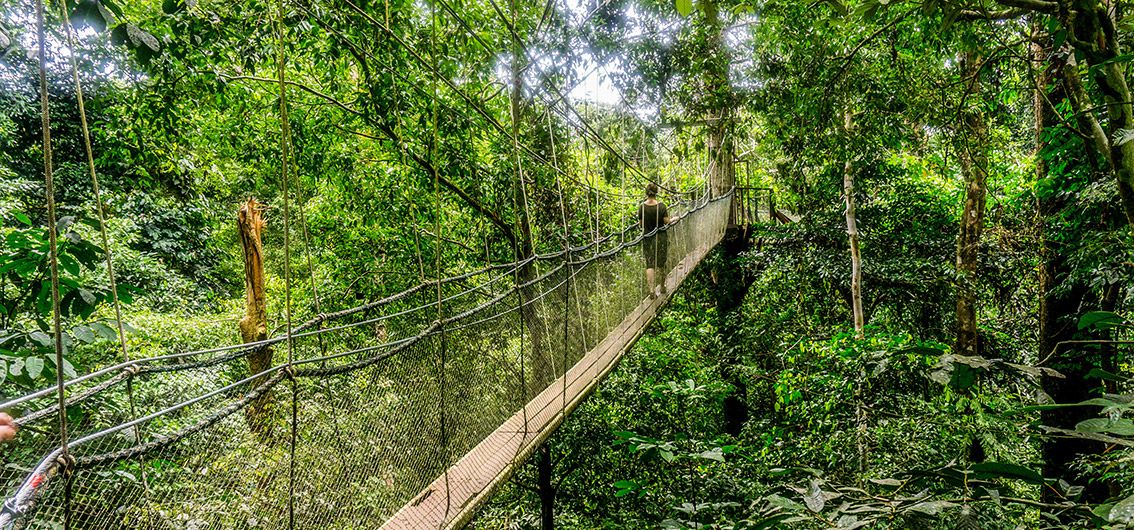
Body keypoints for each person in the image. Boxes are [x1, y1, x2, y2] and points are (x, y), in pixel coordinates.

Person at [639, 183, 671, 299]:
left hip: (648, 239)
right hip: (660, 238)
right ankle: (662, 287)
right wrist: (674, 219)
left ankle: (652, 291)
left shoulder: (642, 206)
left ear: (646, 193)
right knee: (661, 264)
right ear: (656, 192)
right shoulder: (661, 206)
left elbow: (641, 224)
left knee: (650, 265)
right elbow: (667, 221)